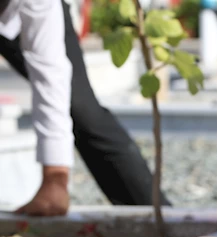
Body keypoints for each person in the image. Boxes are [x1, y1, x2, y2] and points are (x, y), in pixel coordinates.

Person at [0, 0, 168, 216]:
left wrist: (55, 178)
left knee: (82, 109)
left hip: (23, 13)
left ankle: (153, 217)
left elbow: (51, 76)